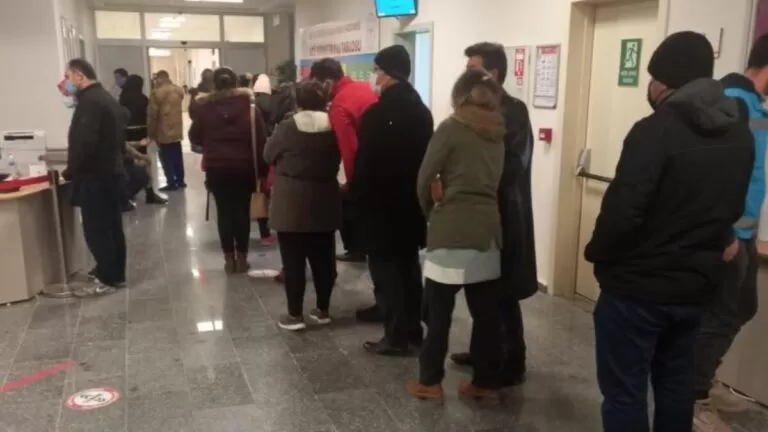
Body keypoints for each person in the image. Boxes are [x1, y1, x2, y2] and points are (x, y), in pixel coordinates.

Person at [585, 32, 754, 432]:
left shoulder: (654, 130)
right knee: (676, 387)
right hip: (695, 289)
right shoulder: (739, 133)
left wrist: (599, 258)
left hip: (636, 292)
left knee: (625, 393)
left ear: (663, 81)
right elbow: (732, 208)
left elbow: (622, 213)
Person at [407, 69, 506, 400]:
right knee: (486, 314)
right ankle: (485, 382)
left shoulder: (451, 128)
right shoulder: (498, 131)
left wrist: (431, 212)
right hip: (487, 232)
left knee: (437, 313)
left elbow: (424, 178)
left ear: (459, 95)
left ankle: (430, 381)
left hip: (451, 228)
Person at [449, 42, 538, 387]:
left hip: (504, 213)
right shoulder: (472, 109)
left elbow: (513, 164)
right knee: (481, 288)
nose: (467, 74)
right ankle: (483, 350)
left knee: (503, 291)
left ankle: (513, 360)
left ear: (493, 73)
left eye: (473, 68)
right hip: (479, 211)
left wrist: (475, 181)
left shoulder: (513, 111)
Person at [693, 34, 768, 432]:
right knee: (719, 315)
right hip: (729, 234)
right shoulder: (734, 103)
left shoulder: (754, 104)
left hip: (745, 232)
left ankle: (704, 378)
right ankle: (694, 395)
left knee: (742, 308)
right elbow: (719, 173)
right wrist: (725, 232)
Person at [349, 45, 433, 355]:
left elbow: (366, 165)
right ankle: (413, 331)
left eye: (377, 71)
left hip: (381, 208)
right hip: (411, 206)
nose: (374, 77)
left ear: (387, 75)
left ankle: (395, 337)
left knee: (386, 275)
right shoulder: (422, 111)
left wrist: (356, 201)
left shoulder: (377, 114)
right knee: (409, 271)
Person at [265, 79, 341, 331]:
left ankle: (295, 315)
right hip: (325, 198)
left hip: (291, 201)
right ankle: (323, 310)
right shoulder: (333, 125)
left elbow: (268, 155)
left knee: (294, 261)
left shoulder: (288, 126)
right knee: (324, 259)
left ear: (297, 102)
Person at [188, 67, 268, 273]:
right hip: (244, 168)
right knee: (242, 212)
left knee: (224, 212)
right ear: (236, 83)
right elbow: (261, 141)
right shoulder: (251, 108)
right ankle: (242, 258)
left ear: (214, 85)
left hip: (216, 168)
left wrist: (211, 143)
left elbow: (194, 136)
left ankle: (229, 259)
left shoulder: (205, 108)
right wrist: (262, 171)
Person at [62, 58, 129, 297]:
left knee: (96, 228)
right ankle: (115, 273)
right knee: (112, 226)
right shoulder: (105, 98)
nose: (66, 82)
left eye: (68, 77)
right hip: (111, 172)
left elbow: (84, 143)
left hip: (95, 176)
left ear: (79, 76)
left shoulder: (90, 102)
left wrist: (71, 170)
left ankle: (107, 277)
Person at [310, 58, 378, 269]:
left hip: (366, 164)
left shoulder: (339, 105)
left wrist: (352, 183)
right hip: (384, 158)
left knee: (347, 202)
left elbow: (350, 150)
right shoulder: (364, 88)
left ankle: (357, 249)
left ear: (328, 82)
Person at [119, 74, 167, 205]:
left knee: (132, 162)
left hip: (127, 133)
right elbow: (149, 115)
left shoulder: (123, 98)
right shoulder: (143, 98)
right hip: (141, 132)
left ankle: (131, 191)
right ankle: (148, 192)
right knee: (143, 161)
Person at [148, 70, 186, 191]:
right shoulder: (178, 90)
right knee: (177, 157)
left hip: (163, 130)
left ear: (160, 79)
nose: (155, 82)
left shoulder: (157, 93)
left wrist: (151, 131)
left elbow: (153, 115)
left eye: (156, 79)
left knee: (166, 158)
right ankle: (180, 180)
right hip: (177, 130)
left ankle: (171, 182)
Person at [252, 72, 277, 247]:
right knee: (266, 191)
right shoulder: (275, 103)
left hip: (255, 151)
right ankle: (266, 232)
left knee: (256, 192)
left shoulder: (251, 106)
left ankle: (260, 232)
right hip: (270, 147)